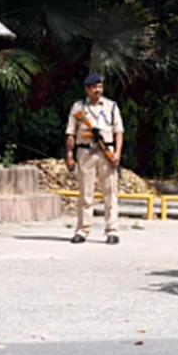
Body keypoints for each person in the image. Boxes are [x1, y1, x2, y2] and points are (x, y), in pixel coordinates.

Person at [65, 73, 125, 244]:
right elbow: (70, 133)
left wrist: (117, 153)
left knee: (110, 192)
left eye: (100, 86)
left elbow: (118, 131)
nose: (98, 90)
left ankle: (112, 231)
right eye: (94, 87)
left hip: (107, 151)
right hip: (85, 152)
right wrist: (69, 155)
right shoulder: (78, 108)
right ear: (87, 89)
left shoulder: (111, 106)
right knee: (86, 193)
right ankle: (83, 230)